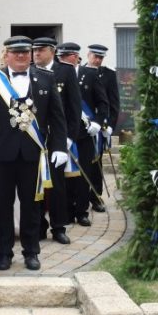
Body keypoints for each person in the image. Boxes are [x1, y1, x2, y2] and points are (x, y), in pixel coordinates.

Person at [0, 35, 68, 271]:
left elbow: (58, 117)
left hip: (31, 153)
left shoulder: (46, 78)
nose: (21, 56)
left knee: (31, 205)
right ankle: (3, 253)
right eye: (16, 53)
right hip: (2, 154)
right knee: (3, 206)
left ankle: (31, 252)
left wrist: (59, 147)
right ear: (6, 55)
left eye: (25, 52)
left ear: (30, 54)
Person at [32, 36, 82, 245]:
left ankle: (58, 227)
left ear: (52, 51)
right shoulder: (31, 72)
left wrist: (68, 139)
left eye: (40, 50)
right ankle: (39, 226)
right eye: (34, 51)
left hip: (57, 138)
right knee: (36, 184)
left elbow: (74, 108)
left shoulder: (66, 71)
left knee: (58, 185)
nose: (36, 54)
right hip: (36, 136)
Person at [57, 42, 109, 228]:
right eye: (61, 57)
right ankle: (67, 212)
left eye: (67, 56)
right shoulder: (56, 73)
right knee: (65, 175)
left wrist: (97, 122)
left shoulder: (90, 75)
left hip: (85, 133)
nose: (63, 60)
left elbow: (103, 103)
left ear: (76, 56)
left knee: (83, 173)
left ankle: (81, 211)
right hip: (64, 132)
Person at [85, 43, 120, 212]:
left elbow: (114, 103)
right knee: (81, 163)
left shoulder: (109, 75)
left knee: (96, 163)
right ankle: (80, 199)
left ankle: (96, 197)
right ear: (88, 55)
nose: (97, 60)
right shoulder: (77, 71)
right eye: (95, 56)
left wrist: (110, 126)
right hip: (82, 125)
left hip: (100, 126)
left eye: (100, 57)